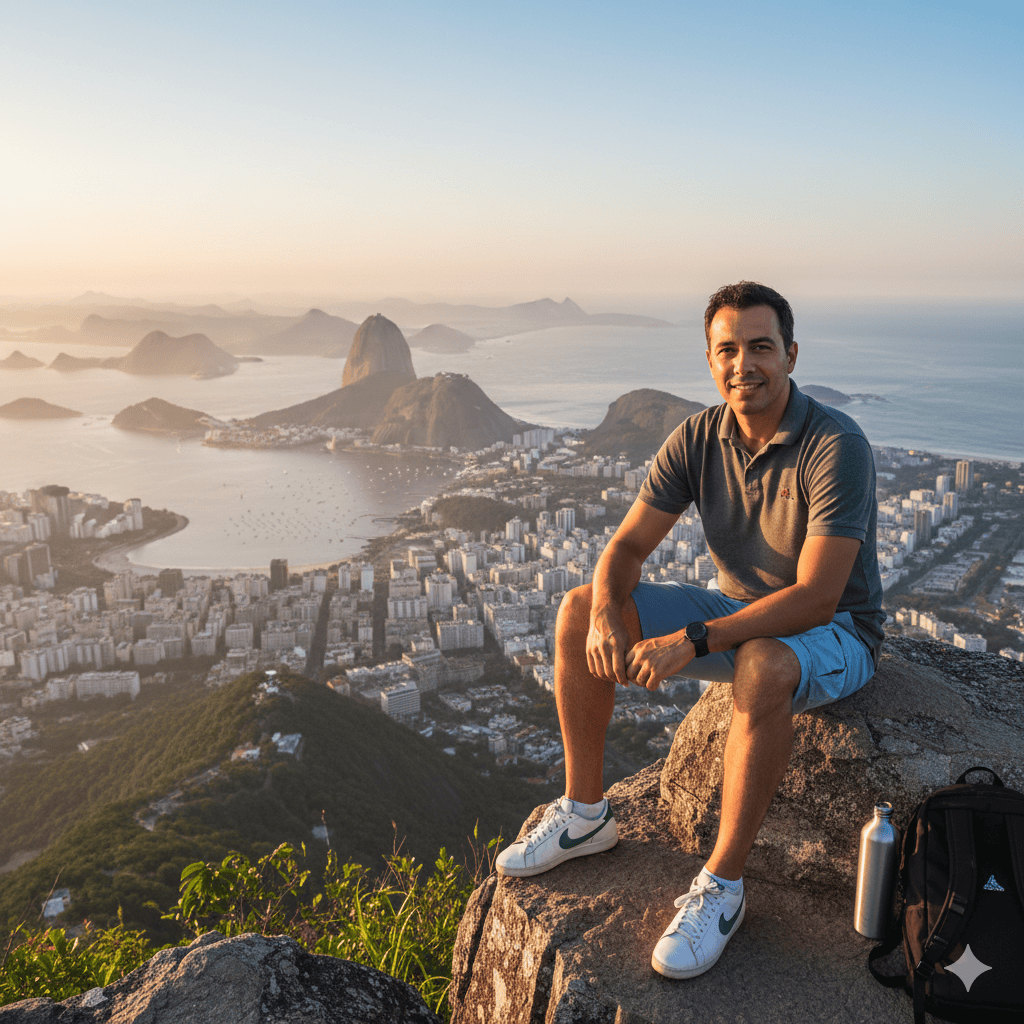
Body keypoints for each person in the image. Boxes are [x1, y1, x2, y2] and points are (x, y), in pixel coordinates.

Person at [496, 281, 885, 980]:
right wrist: (610, 612)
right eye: (728, 350)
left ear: (791, 355)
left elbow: (818, 599)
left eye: (760, 347)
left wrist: (695, 641)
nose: (745, 365)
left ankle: (723, 888)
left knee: (763, 662)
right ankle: (586, 813)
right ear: (711, 361)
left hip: (836, 633)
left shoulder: (836, 446)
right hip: (736, 613)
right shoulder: (699, 436)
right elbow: (623, 550)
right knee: (578, 607)